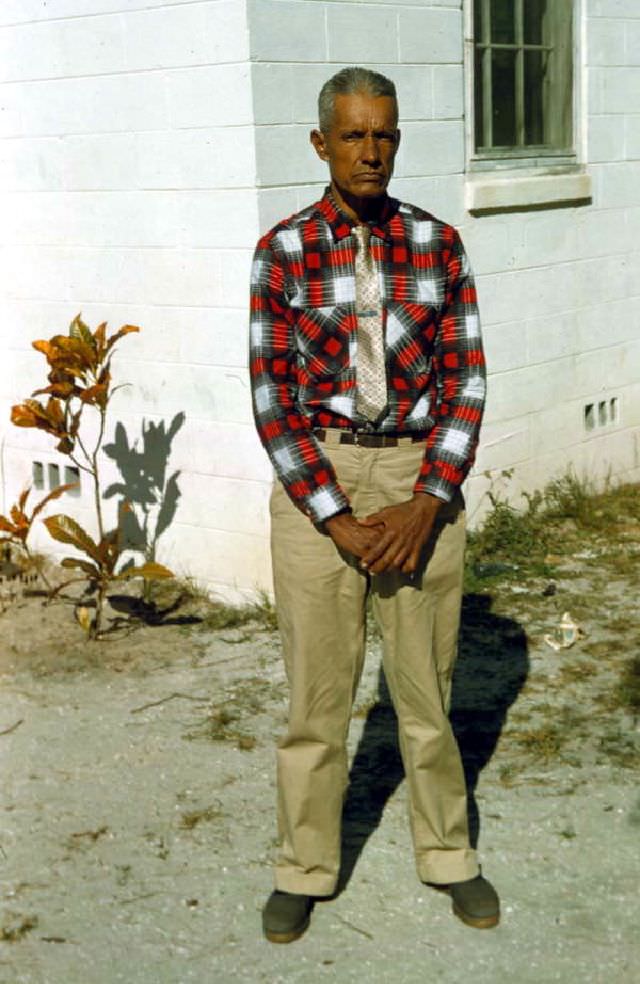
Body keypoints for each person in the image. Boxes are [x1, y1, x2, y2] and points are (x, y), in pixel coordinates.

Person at [249, 66, 498, 944]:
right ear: (321, 143)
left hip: (416, 486)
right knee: (317, 701)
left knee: (424, 692)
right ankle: (304, 866)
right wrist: (335, 514)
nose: (371, 152)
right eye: (353, 136)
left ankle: (448, 853)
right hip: (320, 488)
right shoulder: (281, 251)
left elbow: (466, 381)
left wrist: (429, 501)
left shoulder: (438, 245)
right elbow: (273, 398)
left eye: (384, 135)